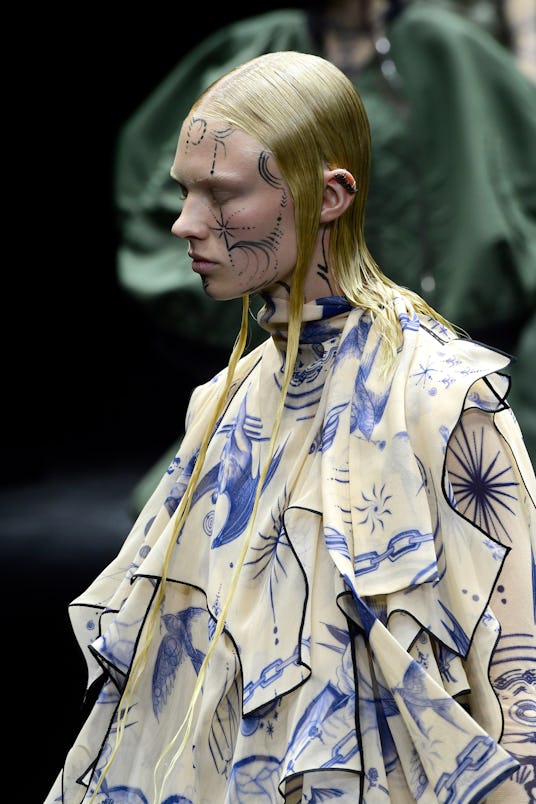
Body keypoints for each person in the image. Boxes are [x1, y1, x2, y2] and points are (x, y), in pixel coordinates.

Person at [46, 50, 535, 803]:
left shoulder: (441, 399)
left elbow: (519, 670)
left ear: (330, 194)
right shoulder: (224, 400)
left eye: (221, 193)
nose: (185, 222)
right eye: (185, 191)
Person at [115, 1, 536, 516]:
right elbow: (161, 180)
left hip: (436, 363)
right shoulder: (255, 49)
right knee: (177, 515)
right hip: (297, 357)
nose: (188, 220)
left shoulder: (447, 51)